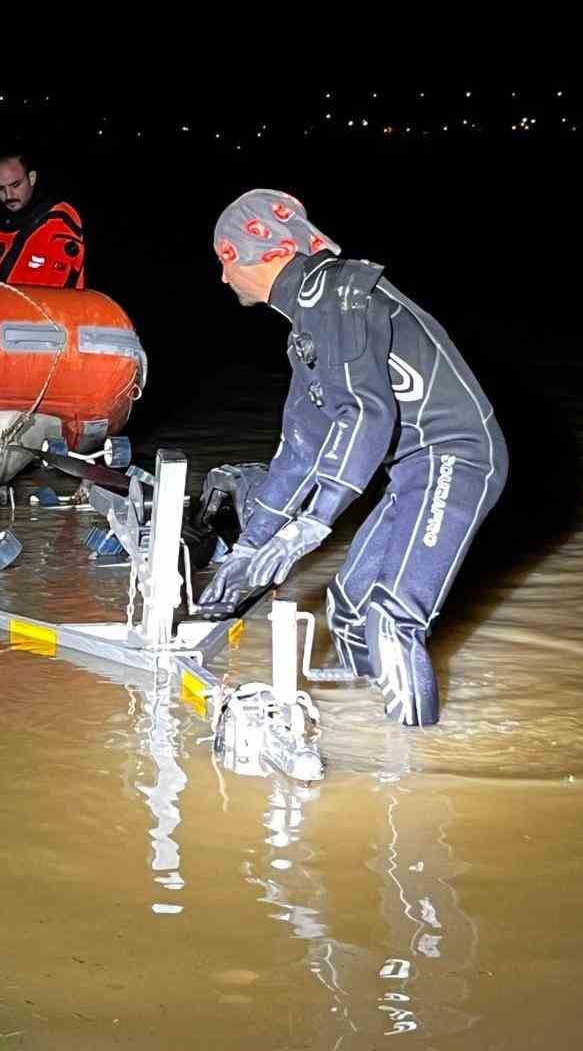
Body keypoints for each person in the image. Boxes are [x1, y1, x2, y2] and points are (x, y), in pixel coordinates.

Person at [200, 189, 507, 726]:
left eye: (225, 260)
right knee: (346, 609)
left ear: (264, 252)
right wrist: (247, 551)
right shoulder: (308, 325)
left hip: (457, 456)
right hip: (413, 470)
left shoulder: (338, 293)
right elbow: (299, 452)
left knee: (391, 619)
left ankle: (411, 776)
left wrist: (311, 527)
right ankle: (368, 734)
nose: (223, 279)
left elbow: (366, 416)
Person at [0, 150, 86, 288]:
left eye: (15, 185)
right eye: (0, 188)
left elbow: (53, 295)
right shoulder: (0, 229)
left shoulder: (57, 220)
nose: (8, 195)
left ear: (32, 178)